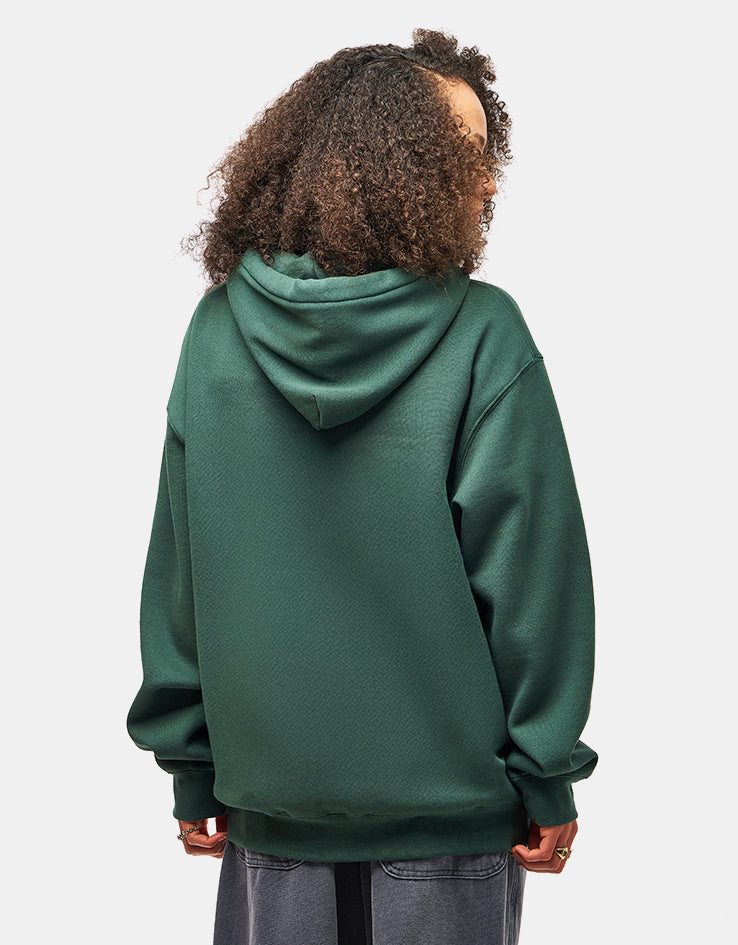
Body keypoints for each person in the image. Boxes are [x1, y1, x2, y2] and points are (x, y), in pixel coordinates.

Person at [126, 26, 598, 945]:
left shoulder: (216, 334)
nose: (490, 182)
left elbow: (179, 575)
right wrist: (546, 773)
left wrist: (191, 765)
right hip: (450, 825)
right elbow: (533, 583)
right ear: (399, 167)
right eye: (466, 155)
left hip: (271, 820)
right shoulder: (481, 334)